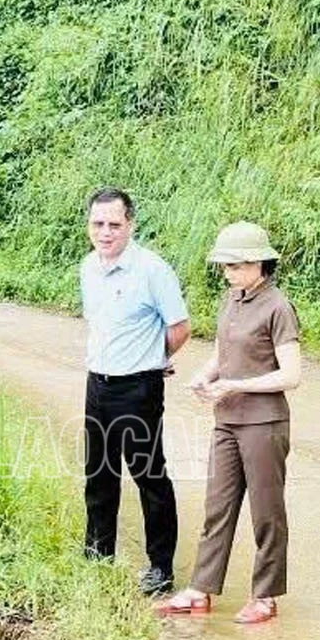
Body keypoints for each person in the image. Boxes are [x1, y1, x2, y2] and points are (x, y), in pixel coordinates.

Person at [154, 222, 301, 625]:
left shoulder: (278, 307)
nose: (227, 273)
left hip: (264, 423)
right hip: (227, 421)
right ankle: (200, 589)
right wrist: (206, 376)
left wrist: (235, 385)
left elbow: (291, 374)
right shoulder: (230, 300)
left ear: (257, 264)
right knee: (217, 505)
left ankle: (266, 596)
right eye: (225, 266)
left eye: (234, 266)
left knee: (266, 511)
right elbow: (224, 353)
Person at [79, 187, 190, 595]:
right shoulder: (88, 267)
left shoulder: (152, 270)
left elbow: (180, 328)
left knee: (148, 476)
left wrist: (153, 356)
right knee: (98, 473)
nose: (105, 232)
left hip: (138, 388)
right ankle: (97, 555)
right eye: (97, 224)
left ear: (130, 225)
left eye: (114, 224)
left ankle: (160, 567)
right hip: (97, 384)